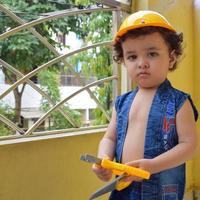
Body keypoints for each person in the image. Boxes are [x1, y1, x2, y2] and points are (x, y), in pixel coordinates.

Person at [92, 10, 198, 200]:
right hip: (123, 188)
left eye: (152, 54)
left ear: (171, 58)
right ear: (123, 61)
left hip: (161, 192)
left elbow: (189, 146)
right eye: (132, 57)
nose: (142, 63)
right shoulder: (121, 103)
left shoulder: (179, 102)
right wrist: (104, 159)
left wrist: (152, 165)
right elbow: (109, 138)